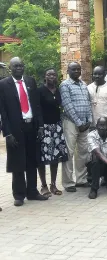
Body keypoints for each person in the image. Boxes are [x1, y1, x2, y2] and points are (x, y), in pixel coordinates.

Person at [0, 57, 48, 207]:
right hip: (15, 130)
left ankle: (32, 192)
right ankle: (19, 195)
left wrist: (40, 126)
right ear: (10, 68)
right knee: (18, 162)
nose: (19, 68)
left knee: (32, 161)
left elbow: (37, 105)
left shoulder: (30, 81)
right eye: (15, 66)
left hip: (32, 127)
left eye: (21, 65)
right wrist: (7, 133)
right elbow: (3, 112)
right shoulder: (3, 85)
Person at [60, 62, 92, 192]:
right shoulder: (64, 85)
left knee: (83, 152)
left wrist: (89, 120)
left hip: (85, 123)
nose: (77, 71)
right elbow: (67, 106)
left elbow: (88, 103)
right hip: (71, 123)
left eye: (79, 69)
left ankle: (81, 179)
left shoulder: (83, 84)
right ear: (68, 70)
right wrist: (79, 123)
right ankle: (68, 183)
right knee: (69, 152)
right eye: (74, 69)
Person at [37, 68, 68, 197]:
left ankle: (53, 184)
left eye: (54, 74)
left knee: (55, 157)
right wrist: (40, 127)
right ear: (45, 76)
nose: (51, 76)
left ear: (56, 77)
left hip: (57, 127)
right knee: (43, 157)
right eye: (49, 74)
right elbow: (37, 109)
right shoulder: (40, 91)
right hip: (44, 128)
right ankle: (44, 186)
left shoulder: (58, 90)